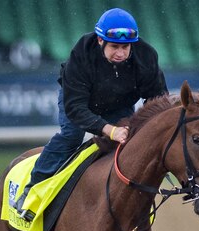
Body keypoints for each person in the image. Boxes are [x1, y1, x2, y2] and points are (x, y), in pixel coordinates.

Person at [15, 7, 168, 220]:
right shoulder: (81, 54)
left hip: (119, 104)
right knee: (72, 136)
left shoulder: (146, 56)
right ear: (99, 41)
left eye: (126, 47)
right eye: (114, 46)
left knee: (128, 145)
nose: (121, 53)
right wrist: (108, 130)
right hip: (80, 102)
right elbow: (75, 108)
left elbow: (158, 101)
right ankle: (32, 191)